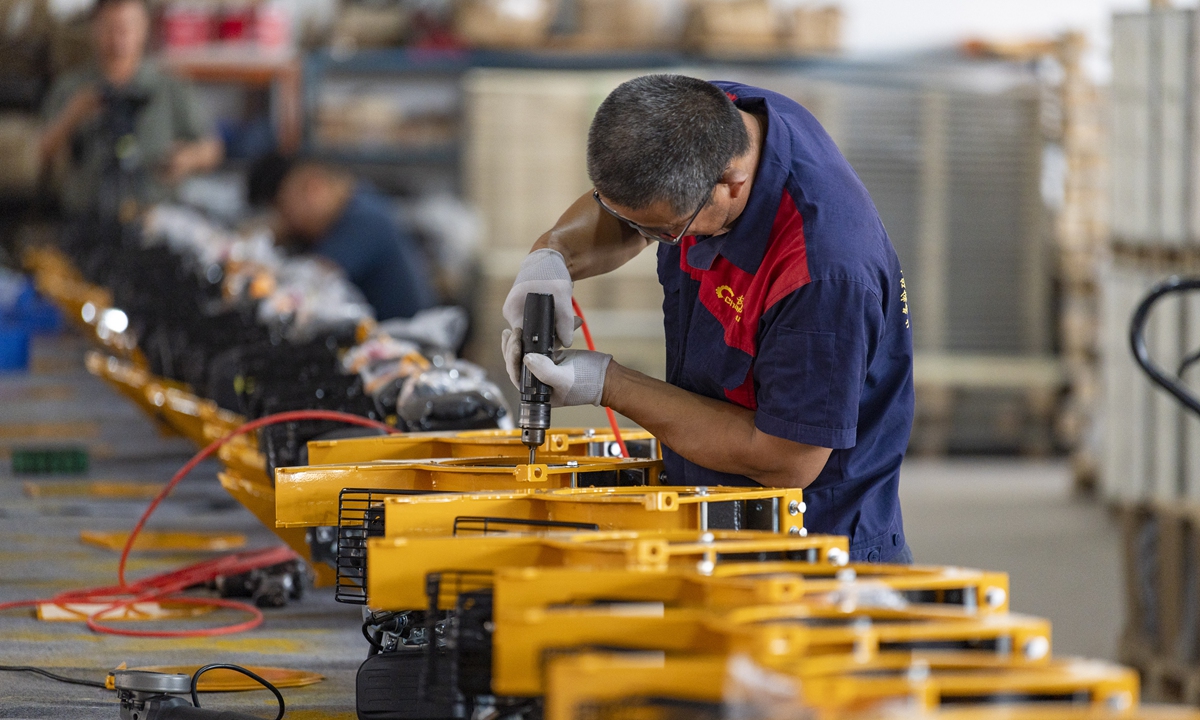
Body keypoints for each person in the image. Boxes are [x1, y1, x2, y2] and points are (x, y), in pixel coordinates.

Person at [501, 75, 914, 563]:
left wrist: (606, 383)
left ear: (731, 183)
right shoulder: (708, 116)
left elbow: (784, 459)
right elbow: (627, 208)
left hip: (809, 550)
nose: (641, 238)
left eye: (662, 233)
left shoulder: (823, 273)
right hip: (709, 518)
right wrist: (553, 255)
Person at [40, 0, 223, 216]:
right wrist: (73, 116)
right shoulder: (71, 87)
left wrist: (187, 158)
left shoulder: (169, 85)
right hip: (87, 213)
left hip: (156, 212)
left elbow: (213, 149)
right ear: (94, 29)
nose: (118, 41)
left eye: (126, 29)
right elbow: (41, 154)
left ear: (144, 28)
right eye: (109, 29)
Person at [247, 153, 437, 321]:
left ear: (313, 189)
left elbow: (312, 280)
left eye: (284, 209)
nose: (286, 223)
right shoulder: (352, 206)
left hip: (404, 344)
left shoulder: (365, 218)